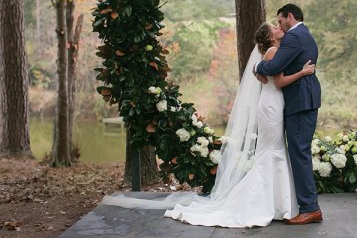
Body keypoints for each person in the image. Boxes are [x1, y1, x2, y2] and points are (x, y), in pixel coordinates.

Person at [101, 23, 315, 228]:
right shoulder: (272, 53)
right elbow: (278, 82)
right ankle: (271, 203)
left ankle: (276, 202)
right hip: (272, 106)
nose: (279, 29)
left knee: (272, 150)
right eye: (275, 28)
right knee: (273, 150)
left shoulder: (268, 55)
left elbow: (262, 78)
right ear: (270, 37)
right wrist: (303, 73)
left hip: (270, 104)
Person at [255, 3, 323, 225]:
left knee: (299, 152)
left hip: (300, 101)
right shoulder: (304, 34)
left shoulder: (294, 37)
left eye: (280, 20)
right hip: (301, 99)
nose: (279, 25)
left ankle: (310, 208)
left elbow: (274, 67)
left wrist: (257, 68)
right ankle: (306, 205)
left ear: (289, 17)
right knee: (298, 151)